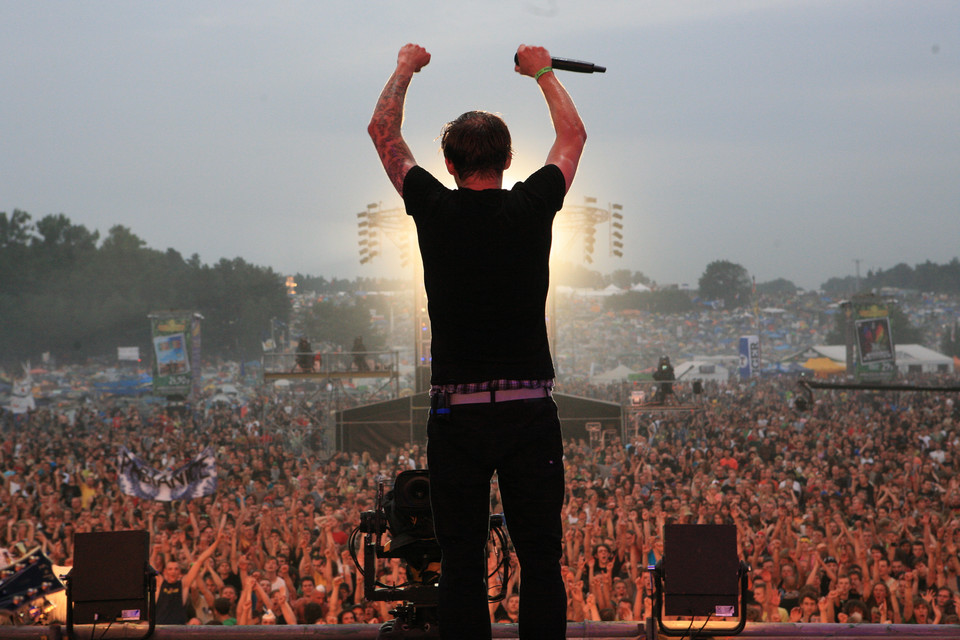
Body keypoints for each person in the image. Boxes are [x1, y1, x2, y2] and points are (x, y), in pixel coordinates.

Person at [369, 43, 586, 640]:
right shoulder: (533, 205)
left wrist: (406, 68)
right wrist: (542, 70)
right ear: (509, 158)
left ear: (448, 163)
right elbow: (573, 138)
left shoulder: (433, 208)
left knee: (463, 567)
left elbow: (382, 130)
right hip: (527, 411)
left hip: (457, 416)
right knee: (541, 562)